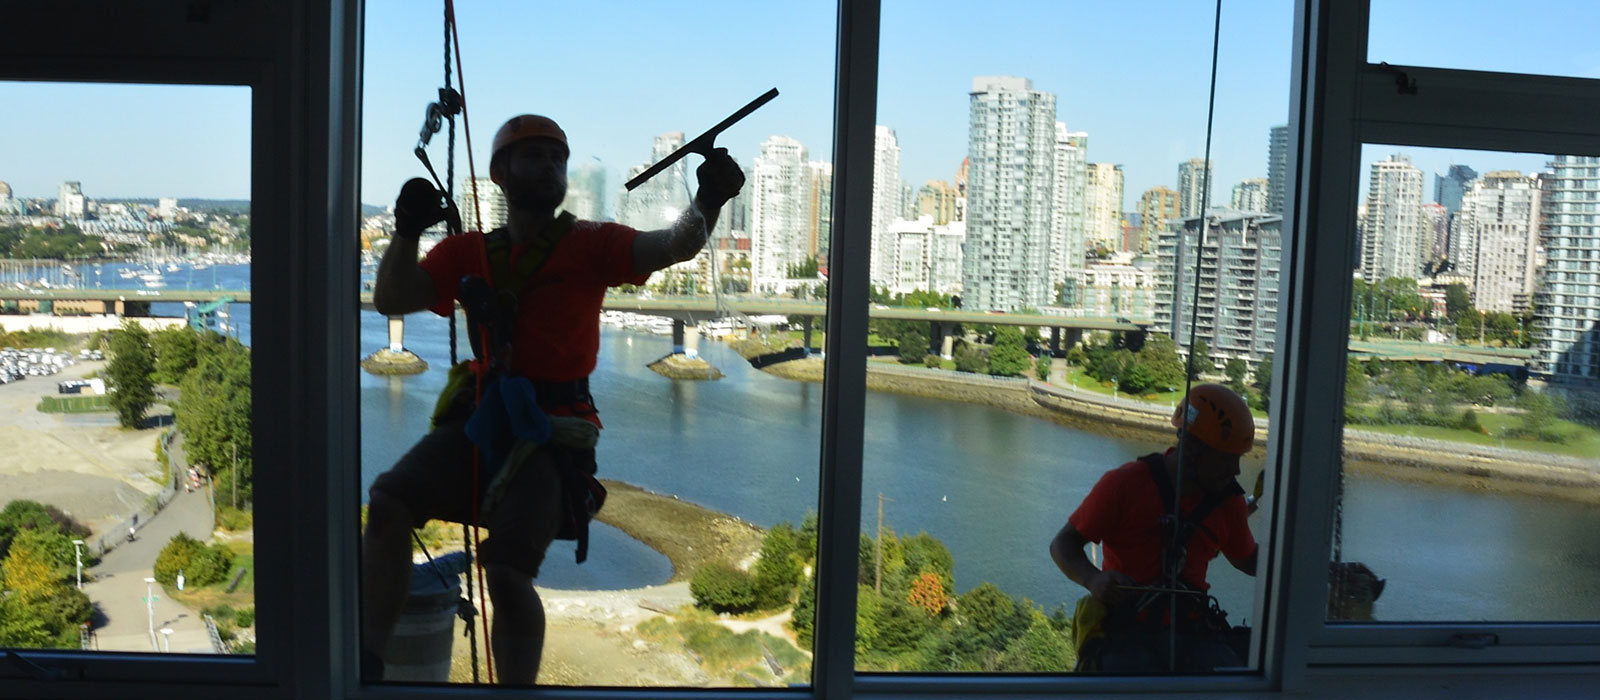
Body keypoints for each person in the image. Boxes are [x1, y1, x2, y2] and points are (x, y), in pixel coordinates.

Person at [361, 113, 744, 684]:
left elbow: (675, 244)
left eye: (556, 158)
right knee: (389, 503)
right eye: (534, 155)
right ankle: (366, 663)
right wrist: (407, 230)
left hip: (554, 430)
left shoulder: (592, 243)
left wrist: (709, 198)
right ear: (501, 173)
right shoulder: (471, 253)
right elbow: (391, 298)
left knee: (507, 571)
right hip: (485, 418)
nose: (549, 166)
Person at [1050, 382, 1259, 673]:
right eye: (1227, 458)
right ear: (1193, 448)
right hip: (1125, 633)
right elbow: (1063, 544)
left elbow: (1250, 562)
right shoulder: (1126, 484)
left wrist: (1315, 567)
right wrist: (1092, 579)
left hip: (1192, 634)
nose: (1235, 470)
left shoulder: (1228, 502)